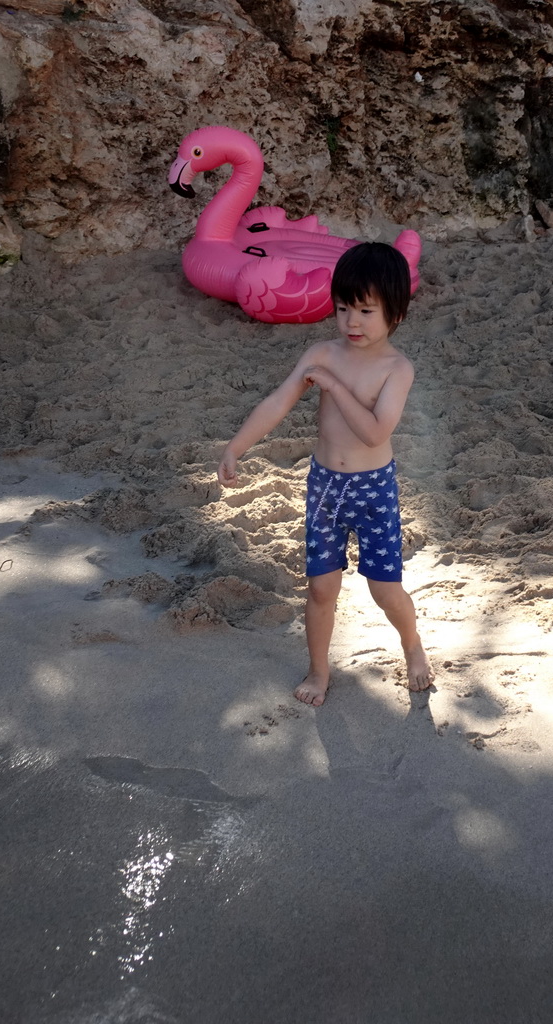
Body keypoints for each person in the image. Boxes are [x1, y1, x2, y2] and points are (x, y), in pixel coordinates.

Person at [217, 242, 434, 706]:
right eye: (342, 309)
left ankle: (412, 646)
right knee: (320, 588)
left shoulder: (397, 369)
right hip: (324, 488)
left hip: (373, 489)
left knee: (385, 590)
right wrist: (237, 445)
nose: (352, 322)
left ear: (395, 313)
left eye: (365, 310)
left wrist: (333, 385)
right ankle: (319, 671)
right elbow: (278, 401)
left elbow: (376, 432)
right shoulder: (321, 352)